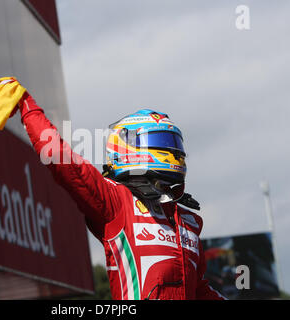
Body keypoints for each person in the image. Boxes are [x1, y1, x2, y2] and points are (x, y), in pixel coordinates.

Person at [17, 91, 226, 300]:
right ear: (127, 147)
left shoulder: (189, 222)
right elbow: (63, 162)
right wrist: (27, 107)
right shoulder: (116, 202)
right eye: (161, 140)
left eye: (174, 142)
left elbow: (199, 291)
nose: (175, 152)